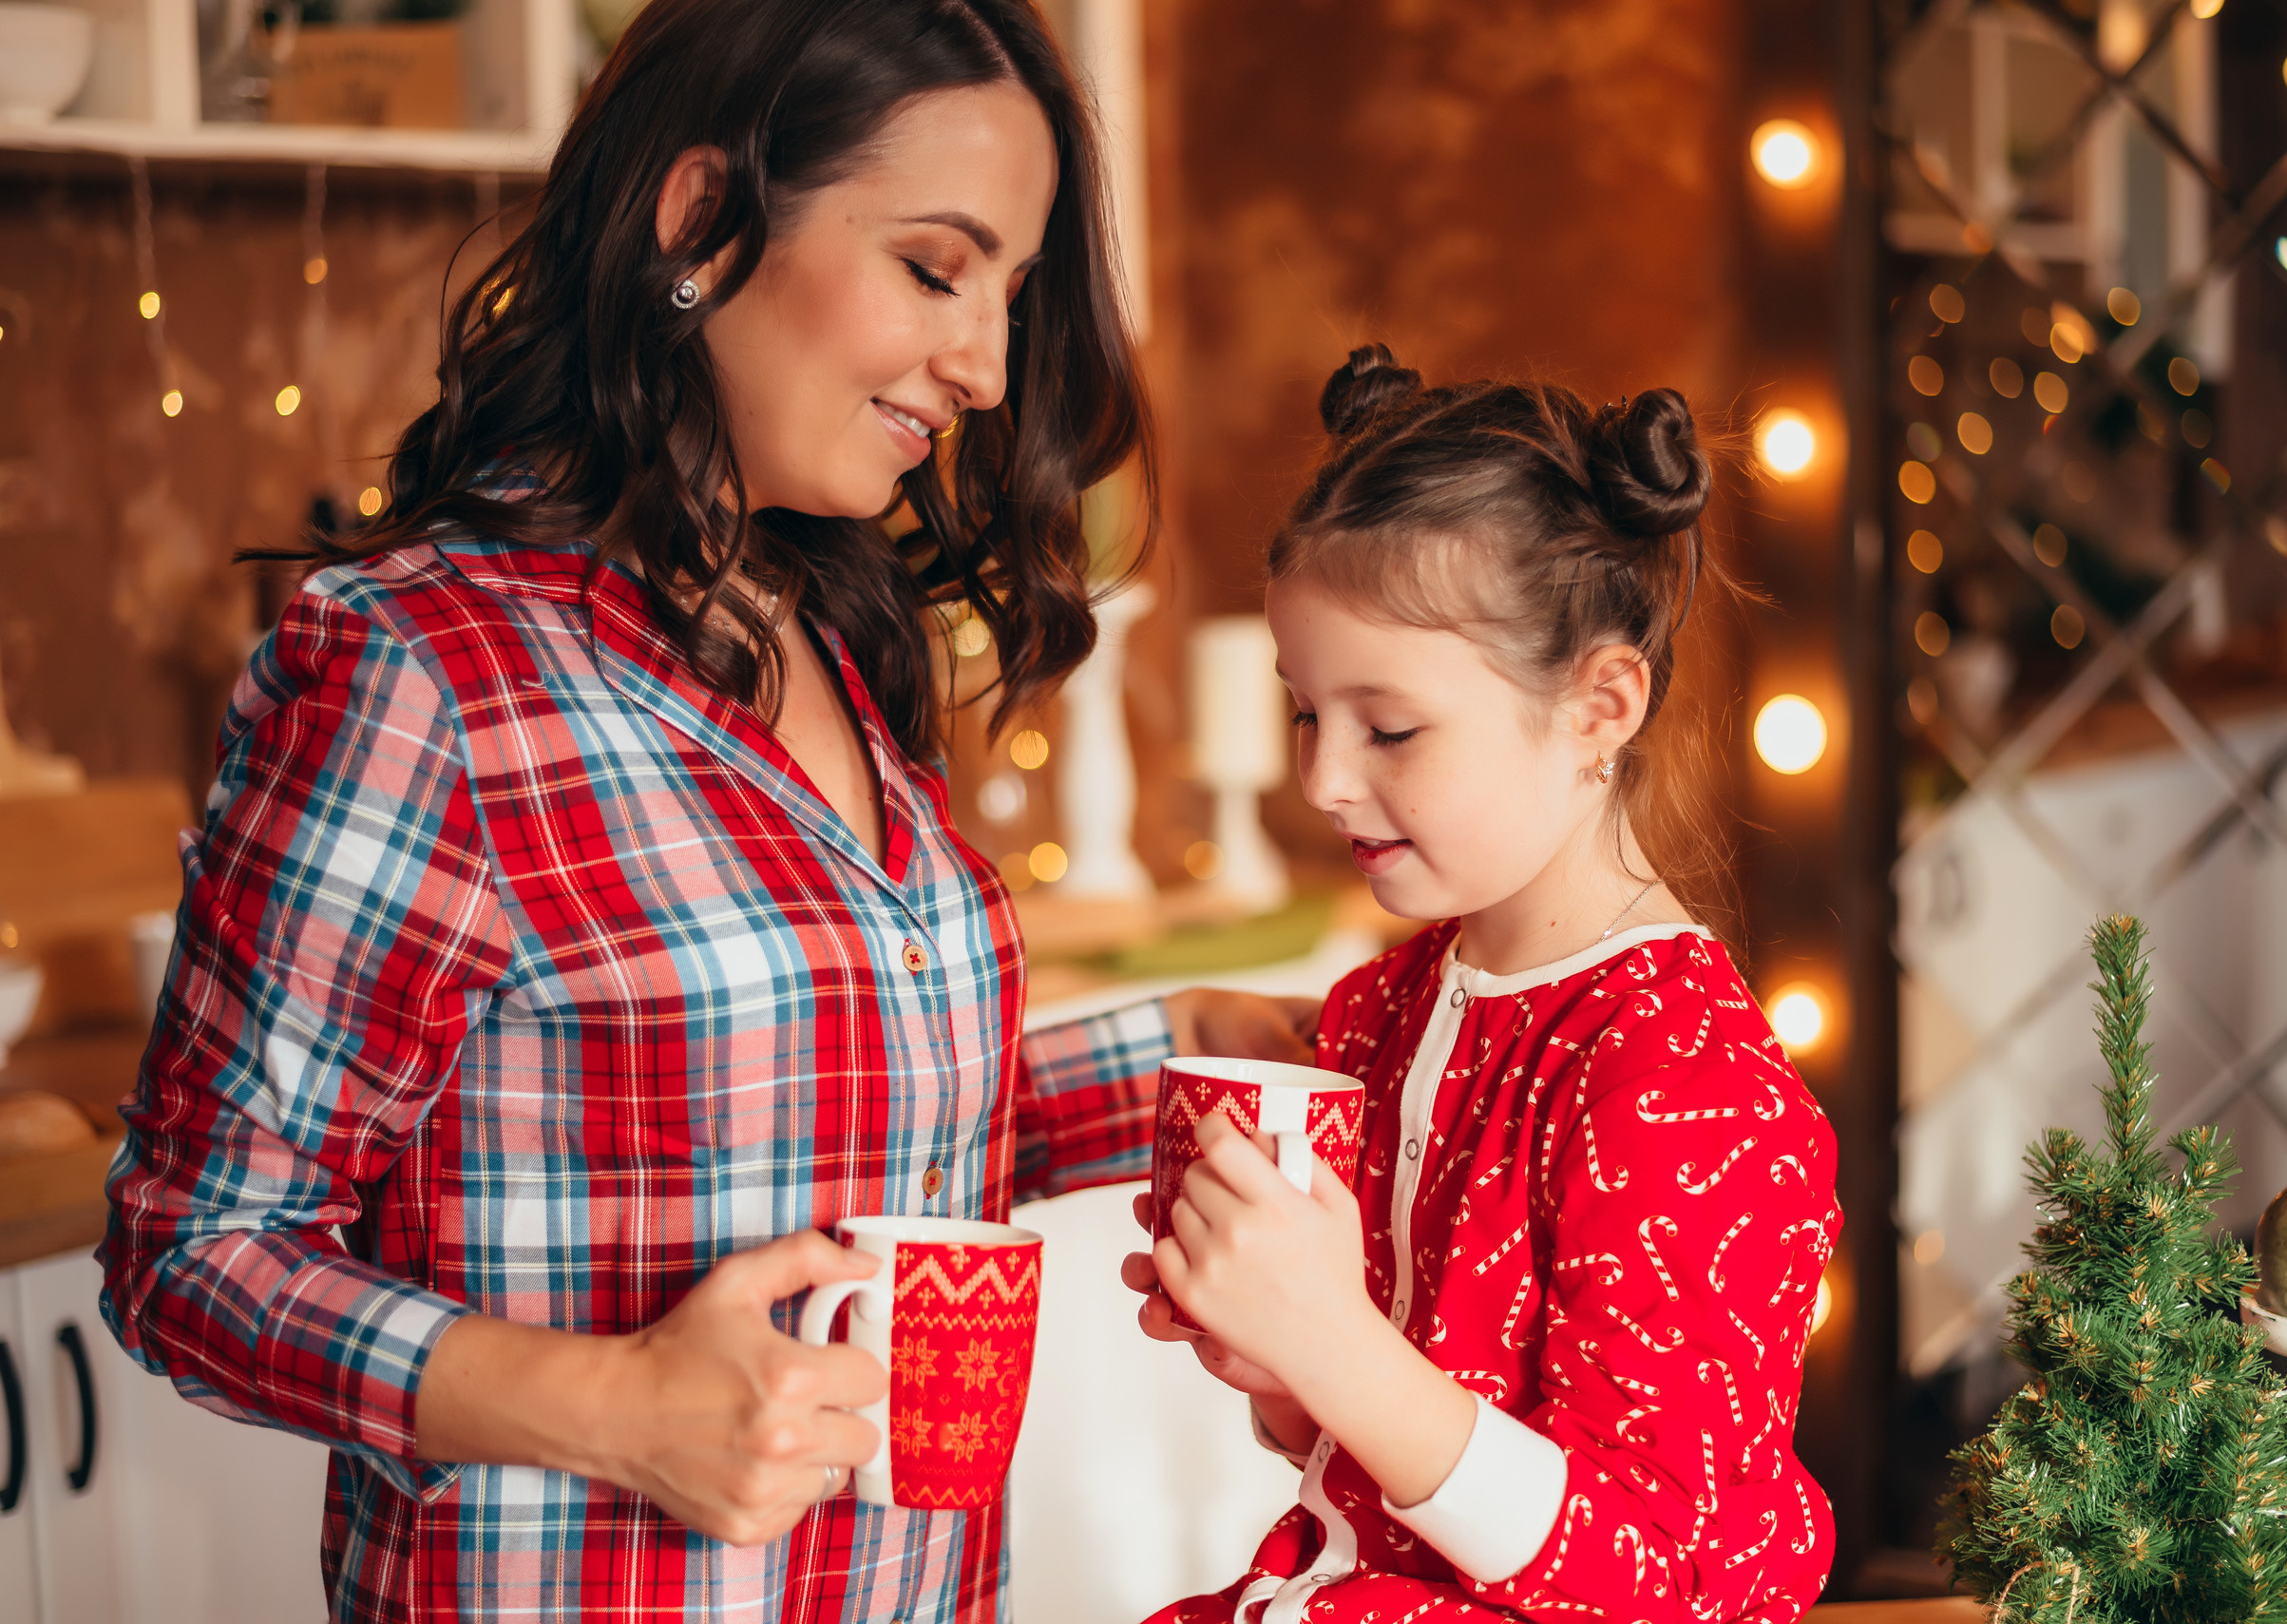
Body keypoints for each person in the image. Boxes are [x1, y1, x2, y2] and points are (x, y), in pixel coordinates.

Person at [97, 3, 1312, 1620]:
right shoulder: (429, 675)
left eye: (1010, 297)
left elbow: (819, 1119)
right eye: (936, 270)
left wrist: (1183, 1052)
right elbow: (190, 1252)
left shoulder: (826, 631)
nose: (988, 366)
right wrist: (617, 1409)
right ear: (700, 225)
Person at [1125, 347, 1841, 1623]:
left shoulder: (1680, 1083)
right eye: (1305, 711)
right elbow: (1383, 1471)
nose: (1325, 779)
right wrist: (1283, 1363)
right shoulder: (1381, 1010)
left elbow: (1654, 1578)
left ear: (1598, 706)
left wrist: (1337, 1345)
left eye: (1389, 726)